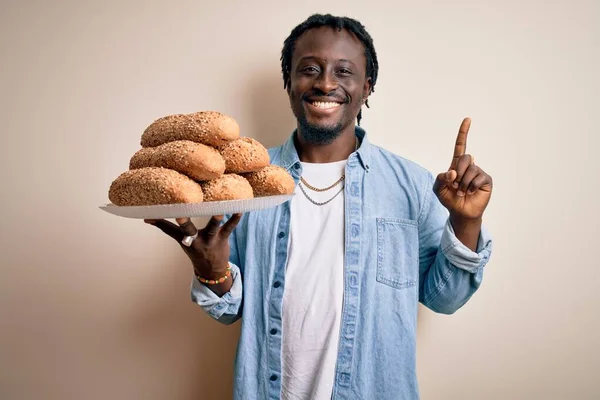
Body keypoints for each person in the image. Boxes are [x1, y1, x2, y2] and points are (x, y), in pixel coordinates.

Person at [144, 13, 493, 400]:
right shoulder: (244, 182)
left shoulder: (412, 186)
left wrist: (465, 222)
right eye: (310, 69)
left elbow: (446, 299)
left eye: (344, 72)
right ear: (289, 83)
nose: (326, 82)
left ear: (367, 88)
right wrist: (210, 271)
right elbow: (229, 309)